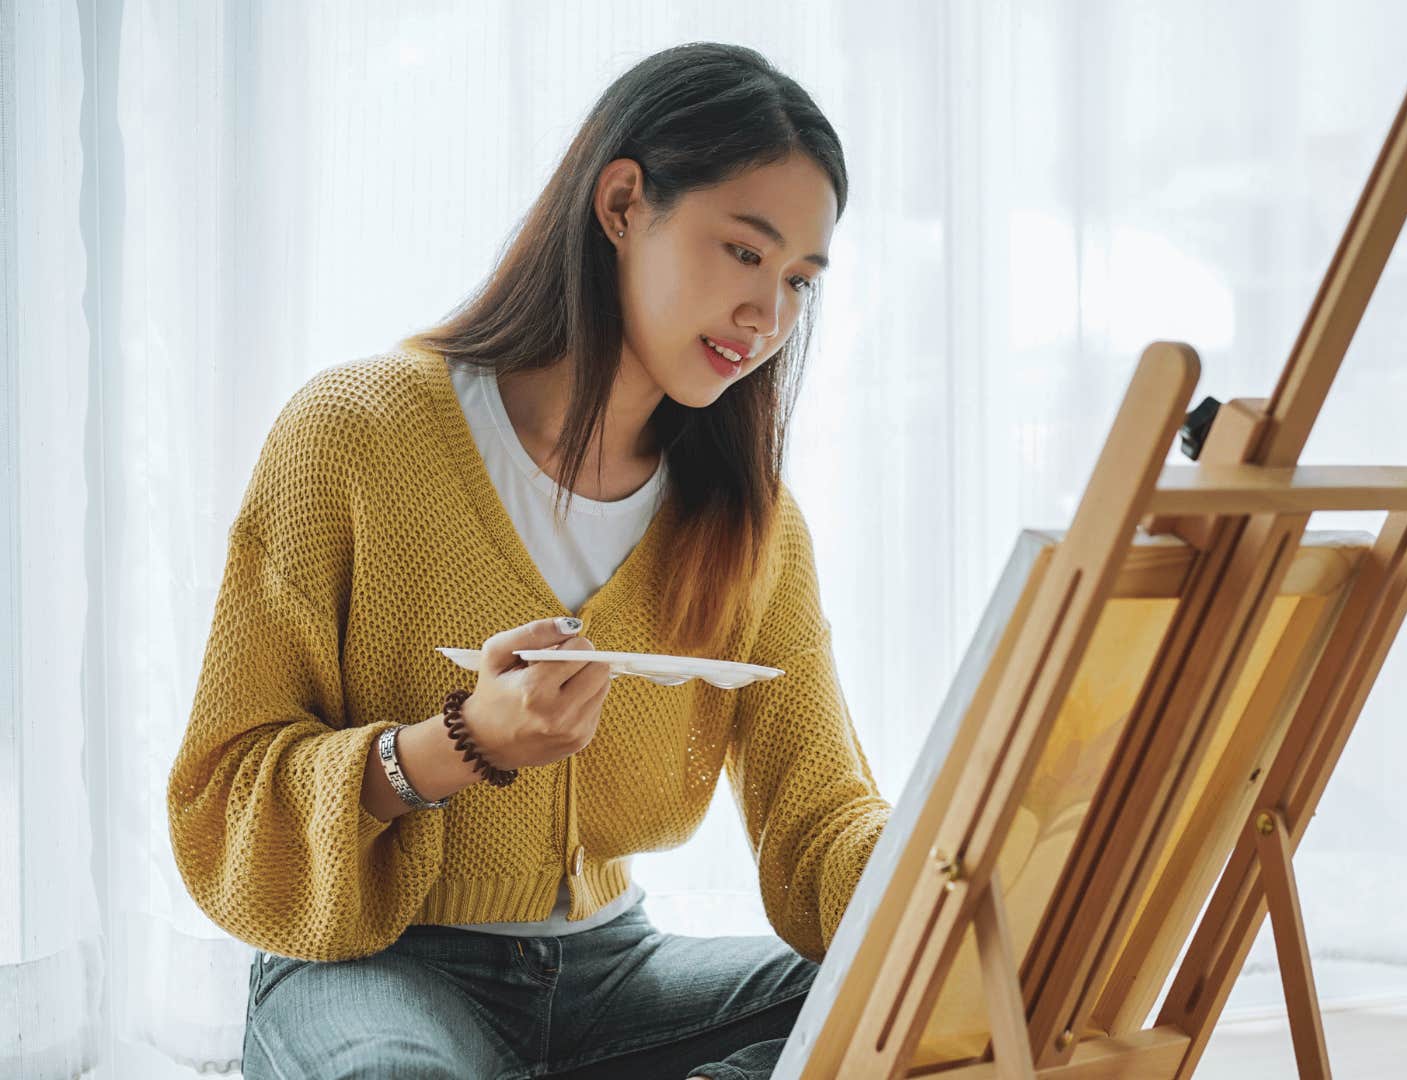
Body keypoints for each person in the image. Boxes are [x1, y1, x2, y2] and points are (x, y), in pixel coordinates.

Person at [165, 42, 889, 1080]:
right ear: (624, 202)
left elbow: (821, 820)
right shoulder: (354, 437)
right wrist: (454, 744)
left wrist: (957, 867)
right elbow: (223, 793)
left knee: (913, 1013)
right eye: (743, 252)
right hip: (371, 966)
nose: (768, 317)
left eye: (799, 282)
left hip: (614, 973)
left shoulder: (752, 528)